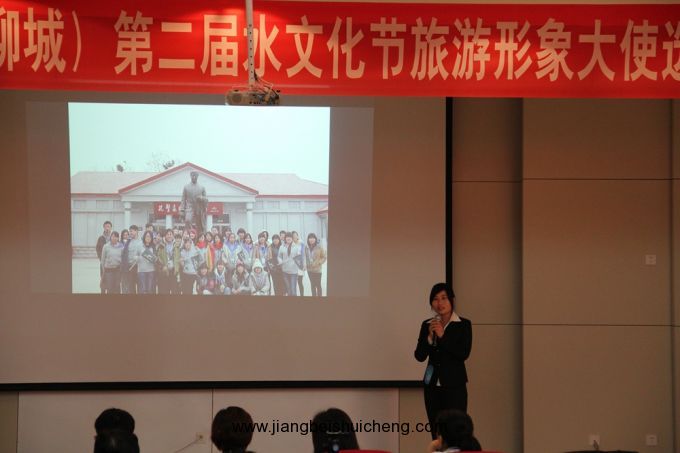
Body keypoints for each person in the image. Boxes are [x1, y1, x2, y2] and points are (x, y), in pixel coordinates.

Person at [415, 283, 472, 439]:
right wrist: (429, 337)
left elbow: (463, 354)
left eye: (444, 298)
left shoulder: (463, 325)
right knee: (436, 432)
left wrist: (442, 336)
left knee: (456, 431)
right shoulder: (427, 325)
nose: (439, 303)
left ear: (452, 300)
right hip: (432, 387)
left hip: (455, 386)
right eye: (435, 299)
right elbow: (419, 356)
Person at [157, 228, 181, 294]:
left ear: (173, 236)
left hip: (174, 271)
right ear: (165, 236)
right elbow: (158, 257)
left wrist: (177, 268)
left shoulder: (177, 246)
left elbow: (179, 257)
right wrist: (163, 266)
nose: (169, 236)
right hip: (165, 271)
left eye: (171, 234)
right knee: (165, 291)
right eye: (167, 234)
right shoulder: (161, 246)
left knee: (174, 291)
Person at [305, 233, 326, 297]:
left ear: (315, 239)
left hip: (317, 270)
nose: (311, 239)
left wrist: (319, 263)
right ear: (308, 239)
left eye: (313, 238)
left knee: (318, 285)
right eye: (310, 238)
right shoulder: (306, 247)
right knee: (312, 285)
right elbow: (305, 257)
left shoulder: (319, 247)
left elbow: (324, 257)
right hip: (309, 270)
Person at [121, 225, 140, 294]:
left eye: (131, 231)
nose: (130, 233)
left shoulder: (141, 241)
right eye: (130, 231)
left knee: (140, 287)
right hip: (130, 268)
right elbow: (124, 254)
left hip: (139, 268)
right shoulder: (128, 242)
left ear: (136, 231)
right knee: (131, 288)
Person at [96, 220, 113, 294]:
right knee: (103, 279)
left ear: (111, 228)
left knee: (110, 280)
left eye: (108, 226)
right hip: (103, 263)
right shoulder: (101, 238)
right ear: (103, 227)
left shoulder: (114, 237)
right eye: (106, 227)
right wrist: (101, 259)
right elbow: (98, 249)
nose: (107, 228)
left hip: (112, 263)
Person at [292, 231, 306, 296]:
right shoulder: (291, 244)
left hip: (300, 264)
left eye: (296, 235)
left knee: (300, 282)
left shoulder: (302, 243)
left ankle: (302, 295)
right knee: (293, 283)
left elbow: (304, 254)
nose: (294, 236)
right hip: (293, 266)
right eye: (293, 236)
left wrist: (304, 264)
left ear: (297, 236)